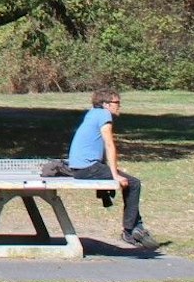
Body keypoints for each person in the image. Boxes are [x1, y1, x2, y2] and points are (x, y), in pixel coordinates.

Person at [66, 89, 157, 248]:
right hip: (87, 168)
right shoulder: (103, 115)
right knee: (133, 183)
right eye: (117, 103)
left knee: (129, 182)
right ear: (106, 104)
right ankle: (130, 231)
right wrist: (114, 175)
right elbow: (109, 145)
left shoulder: (93, 113)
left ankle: (136, 227)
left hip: (81, 167)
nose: (119, 106)